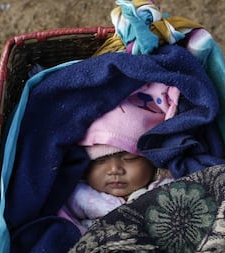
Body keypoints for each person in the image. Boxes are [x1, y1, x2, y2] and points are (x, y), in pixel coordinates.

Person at [58, 82, 179, 233]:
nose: (114, 169)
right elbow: (63, 224)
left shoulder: (167, 187)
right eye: (99, 161)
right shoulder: (77, 196)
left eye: (129, 158)